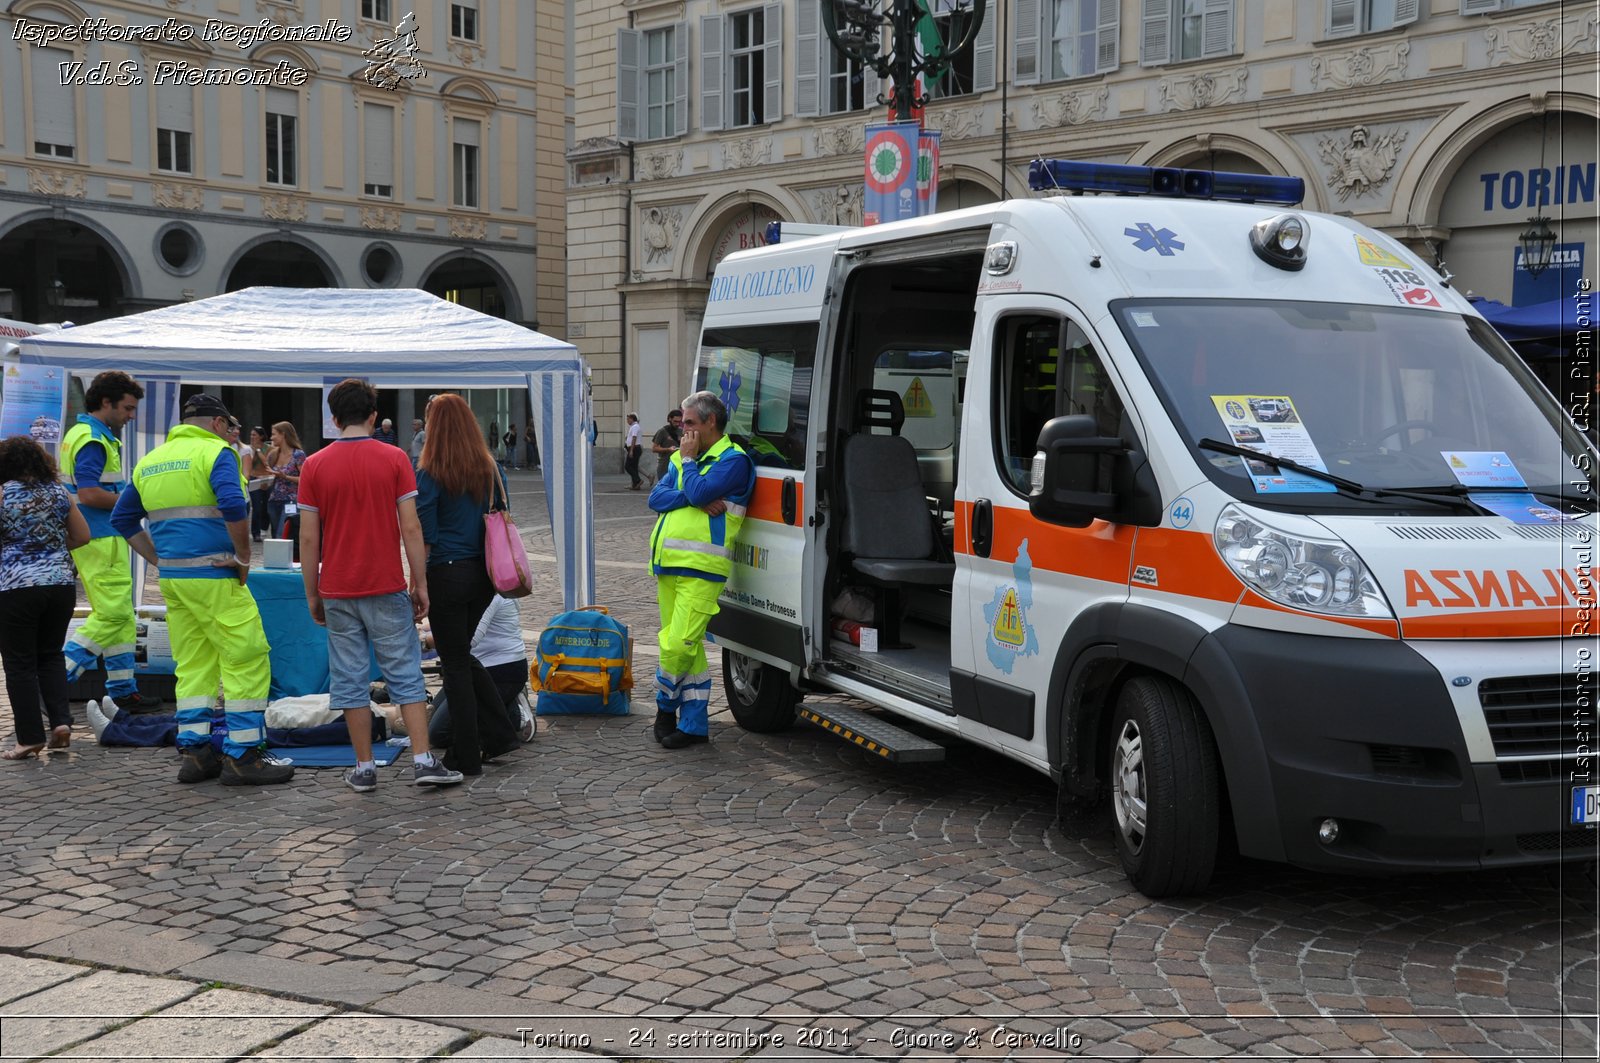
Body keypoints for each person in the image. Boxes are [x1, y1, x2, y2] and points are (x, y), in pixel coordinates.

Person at [110, 394, 293, 785]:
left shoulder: (151, 461)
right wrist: (244, 556)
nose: (231, 433)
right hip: (215, 577)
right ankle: (244, 756)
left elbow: (122, 517)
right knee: (246, 656)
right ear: (216, 424)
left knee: (193, 663)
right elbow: (232, 503)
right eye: (228, 426)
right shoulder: (217, 453)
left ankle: (195, 753)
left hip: (175, 581)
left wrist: (160, 560)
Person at [297, 378, 462, 791]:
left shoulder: (314, 466)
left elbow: (308, 538)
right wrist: (419, 581)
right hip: (385, 583)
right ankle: (424, 761)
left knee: (349, 678)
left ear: (333, 419)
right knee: (405, 672)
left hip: (337, 586)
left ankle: (364, 767)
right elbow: (410, 525)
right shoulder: (394, 459)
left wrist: (312, 591)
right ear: (374, 415)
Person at [415, 394, 520, 775]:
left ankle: (465, 753)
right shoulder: (489, 466)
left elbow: (423, 531)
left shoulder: (430, 470)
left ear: (435, 425)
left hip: (446, 571)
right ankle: (499, 735)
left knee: (455, 662)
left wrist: (416, 580)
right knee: (461, 655)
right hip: (487, 575)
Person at [647, 391, 756, 749]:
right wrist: (691, 493)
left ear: (711, 422)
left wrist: (690, 471)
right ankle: (694, 726)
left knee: (677, 644)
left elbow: (696, 489)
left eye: (690, 422)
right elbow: (656, 499)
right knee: (688, 649)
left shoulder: (733, 460)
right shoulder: (683, 457)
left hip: (703, 567)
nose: (683, 430)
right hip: (668, 563)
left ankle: (665, 708)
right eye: (682, 423)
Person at [60, 370, 158, 712]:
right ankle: (57, 681)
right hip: (99, 535)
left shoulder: (85, 433)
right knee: (114, 614)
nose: (131, 416)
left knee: (121, 616)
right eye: (127, 408)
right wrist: (136, 503)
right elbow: (88, 493)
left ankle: (122, 690)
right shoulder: (92, 439)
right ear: (106, 403)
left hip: (100, 535)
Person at [0, 438, 90, 759]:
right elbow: (82, 536)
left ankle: (29, 738)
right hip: (61, 585)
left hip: (15, 587)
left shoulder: (2, 493)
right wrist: (49, 549)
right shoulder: (58, 492)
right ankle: (61, 725)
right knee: (50, 655)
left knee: (19, 663)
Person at [425, 595, 533, 751]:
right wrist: (424, 628)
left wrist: (425, 641)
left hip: (501, 670)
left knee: (440, 733)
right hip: (469, 670)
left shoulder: (490, 594)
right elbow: (453, 619)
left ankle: (516, 715)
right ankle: (502, 701)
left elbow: (469, 638)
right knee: (429, 719)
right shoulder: (466, 586)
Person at [264, 421, 305, 540]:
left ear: (283, 435)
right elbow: (270, 474)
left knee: (283, 534)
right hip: (274, 499)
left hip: (291, 500)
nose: (271, 438)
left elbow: (305, 479)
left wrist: (285, 477)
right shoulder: (273, 454)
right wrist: (265, 482)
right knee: (275, 536)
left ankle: (284, 559)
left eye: (274, 434)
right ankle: (277, 558)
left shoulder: (298, 454)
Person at [245, 427, 273, 542]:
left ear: (261, 436)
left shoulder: (269, 448)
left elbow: (267, 462)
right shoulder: (247, 449)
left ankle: (264, 528)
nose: (252, 437)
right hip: (254, 478)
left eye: (255, 435)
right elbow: (248, 464)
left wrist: (258, 451)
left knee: (266, 506)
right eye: (251, 435)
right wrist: (252, 451)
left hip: (267, 478)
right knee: (256, 507)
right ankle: (255, 533)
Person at [651, 408, 683, 484]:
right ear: (669, 419)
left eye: (679, 422)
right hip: (664, 466)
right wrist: (668, 449)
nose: (677, 424)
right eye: (675, 421)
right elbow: (654, 448)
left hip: (678, 466)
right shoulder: (662, 431)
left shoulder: (682, 431)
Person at [624, 413, 644, 490]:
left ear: (632, 419)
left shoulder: (635, 427)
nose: (627, 421)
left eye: (628, 419)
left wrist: (631, 450)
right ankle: (635, 485)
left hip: (634, 448)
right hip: (634, 448)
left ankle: (638, 480)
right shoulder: (634, 427)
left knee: (628, 466)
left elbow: (634, 438)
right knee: (634, 467)